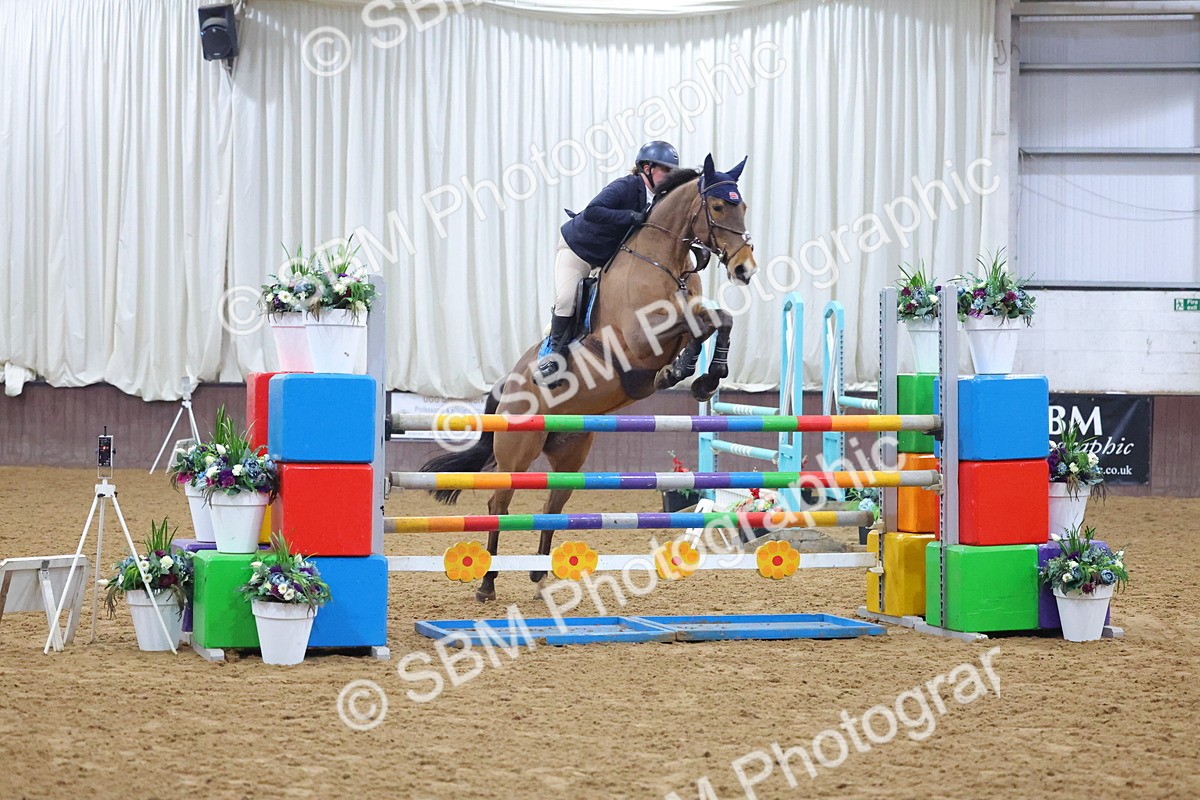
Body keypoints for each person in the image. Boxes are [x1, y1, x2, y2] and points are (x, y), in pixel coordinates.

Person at [536, 140, 680, 382]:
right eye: (666, 170)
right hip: (579, 249)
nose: (670, 175)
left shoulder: (660, 198)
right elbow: (593, 210)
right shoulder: (625, 186)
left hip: (609, 256)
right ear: (646, 168)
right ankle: (553, 357)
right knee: (567, 298)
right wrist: (630, 216)